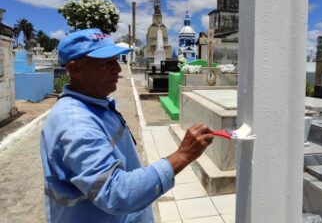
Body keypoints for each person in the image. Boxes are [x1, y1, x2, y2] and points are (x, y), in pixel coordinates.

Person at [40, 28, 213, 223]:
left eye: (116, 60)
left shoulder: (96, 103)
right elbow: (116, 193)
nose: (118, 69)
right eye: (107, 63)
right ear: (75, 70)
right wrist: (182, 155)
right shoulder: (75, 124)